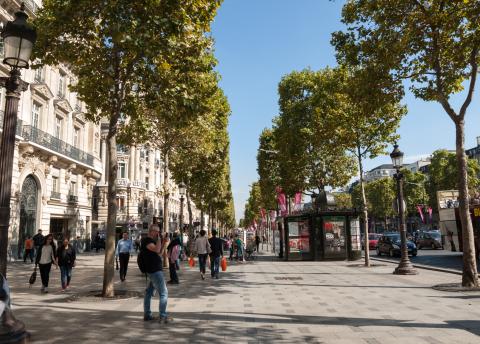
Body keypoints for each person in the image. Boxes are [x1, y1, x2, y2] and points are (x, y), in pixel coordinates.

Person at [142, 225, 171, 323]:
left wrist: (164, 242)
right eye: (157, 232)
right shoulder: (146, 241)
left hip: (155, 270)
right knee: (164, 293)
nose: (158, 233)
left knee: (149, 293)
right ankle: (163, 316)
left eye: (159, 232)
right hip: (154, 270)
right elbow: (157, 250)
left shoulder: (154, 242)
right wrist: (159, 239)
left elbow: (160, 253)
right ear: (152, 231)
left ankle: (147, 315)